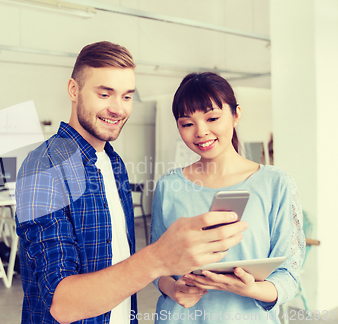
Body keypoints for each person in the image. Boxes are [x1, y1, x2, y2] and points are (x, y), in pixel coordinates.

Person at [15, 41, 248, 324]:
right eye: (105, 94)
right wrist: (159, 258)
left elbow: (118, 268)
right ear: (73, 90)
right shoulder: (46, 167)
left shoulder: (114, 164)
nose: (118, 108)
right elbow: (62, 305)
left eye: (127, 97)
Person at [150, 72, 305, 323]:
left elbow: (289, 276)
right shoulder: (169, 186)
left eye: (212, 118)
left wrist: (250, 289)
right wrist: (173, 289)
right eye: (187, 123)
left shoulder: (276, 184)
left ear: (236, 114)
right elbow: (156, 266)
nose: (201, 132)